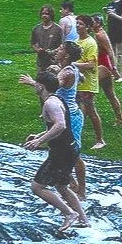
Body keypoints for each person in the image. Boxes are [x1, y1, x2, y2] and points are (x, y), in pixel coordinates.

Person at [23, 70, 88, 233]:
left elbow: (60, 125)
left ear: (41, 86)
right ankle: (83, 220)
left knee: (37, 187)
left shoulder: (50, 103)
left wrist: (39, 141)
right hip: (69, 149)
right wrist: (39, 135)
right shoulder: (57, 99)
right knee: (62, 186)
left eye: (36, 84)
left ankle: (69, 213)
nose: (34, 86)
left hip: (62, 152)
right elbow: (57, 126)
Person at [21, 39, 87, 200]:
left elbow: (53, 86)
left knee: (73, 154)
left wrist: (32, 82)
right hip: (65, 113)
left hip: (70, 116)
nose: (57, 50)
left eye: (61, 48)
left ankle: (81, 191)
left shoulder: (67, 72)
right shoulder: (70, 68)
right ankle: (70, 183)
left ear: (67, 55)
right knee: (59, 150)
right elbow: (83, 78)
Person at [75, 14, 105, 150]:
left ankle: (100, 139)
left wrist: (73, 64)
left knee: (91, 111)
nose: (77, 26)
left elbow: (91, 65)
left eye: (80, 24)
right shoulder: (77, 41)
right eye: (77, 23)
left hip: (87, 83)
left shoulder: (90, 43)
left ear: (87, 27)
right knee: (78, 111)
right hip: (78, 82)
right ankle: (76, 136)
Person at [92, 15, 122, 126]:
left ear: (98, 23)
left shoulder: (99, 35)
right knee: (110, 94)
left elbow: (110, 51)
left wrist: (113, 68)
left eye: (93, 22)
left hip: (104, 66)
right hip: (101, 64)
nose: (90, 24)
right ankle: (120, 119)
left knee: (88, 92)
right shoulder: (98, 33)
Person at [30, 5, 63, 74]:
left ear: (51, 15)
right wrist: (37, 50)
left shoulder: (57, 29)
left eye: (47, 14)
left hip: (53, 62)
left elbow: (62, 45)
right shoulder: (36, 29)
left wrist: (52, 52)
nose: (44, 16)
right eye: (42, 14)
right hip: (41, 61)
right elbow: (33, 43)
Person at [105, 0, 122, 81]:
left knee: (120, 53)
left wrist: (113, 14)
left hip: (120, 30)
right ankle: (114, 73)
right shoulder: (110, 4)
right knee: (112, 53)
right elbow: (108, 18)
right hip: (111, 30)